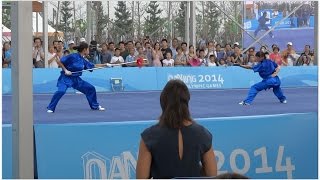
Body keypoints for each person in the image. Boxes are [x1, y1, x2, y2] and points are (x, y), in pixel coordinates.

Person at [136, 79, 217, 179]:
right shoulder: (203, 134)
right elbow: (212, 176)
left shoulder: (149, 137)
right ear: (187, 102)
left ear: (163, 102)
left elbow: (141, 178)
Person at [47, 42, 108, 113]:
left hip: (76, 79)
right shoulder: (73, 56)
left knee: (90, 88)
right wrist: (65, 70)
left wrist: (106, 65)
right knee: (61, 91)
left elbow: (93, 66)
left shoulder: (83, 60)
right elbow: (60, 61)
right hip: (65, 78)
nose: (89, 50)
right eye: (88, 49)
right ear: (85, 50)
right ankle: (51, 107)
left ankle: (95, 106)